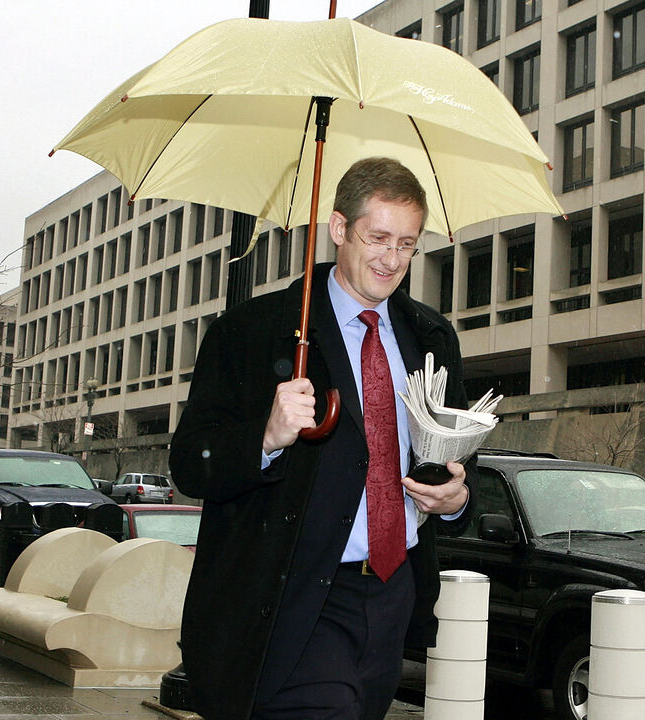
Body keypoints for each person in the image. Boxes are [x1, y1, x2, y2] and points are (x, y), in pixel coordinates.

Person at [170, 156, 476, 720]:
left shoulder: (431, 337)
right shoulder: (251, 332)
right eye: (378, 238)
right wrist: (265, 436)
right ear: (339, 229)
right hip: (292, 601)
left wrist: (456, 500)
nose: (392, 260)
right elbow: (191, 463)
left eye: (407, 245)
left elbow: (452, 459)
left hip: (391, 596)